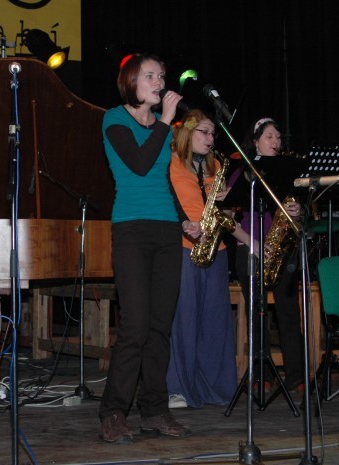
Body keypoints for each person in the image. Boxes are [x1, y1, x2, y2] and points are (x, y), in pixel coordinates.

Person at [98, 53, 191, 444]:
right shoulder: (114, 119)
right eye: (150, 75)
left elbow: (163, 180)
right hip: (132, 230)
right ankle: (113, 412)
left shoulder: (163, 128)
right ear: (131, 82)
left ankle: (154, 410)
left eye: (162, 76)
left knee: (159, 328)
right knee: (135, 326)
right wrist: (166, 121)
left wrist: (183, 219)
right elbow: (138, 164)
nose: (159, 82)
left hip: (167, 231)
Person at [166, 109, 256, 409]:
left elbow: (226, 214)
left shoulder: (215, 165)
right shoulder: (170, 162)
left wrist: (229, 203)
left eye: (213, 134)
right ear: (187, 132)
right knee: (184, 320)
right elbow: (166, 203)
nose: (210, 138)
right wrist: (186, 225)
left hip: (215, 248)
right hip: (183, 246)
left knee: (215, 321)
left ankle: (216, 389)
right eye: (204, 132)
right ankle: (178, 389)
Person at [228, 117, 306, 395]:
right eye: (269, 137)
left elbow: (300, 211)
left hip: (282, 249)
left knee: (289, 313)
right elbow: (226, 217)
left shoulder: (290, 172)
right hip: (249, 249)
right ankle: (261, 373)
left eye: (278, 137)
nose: (276, 142)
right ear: (256, 141)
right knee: (257, 313)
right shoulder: (244, 172)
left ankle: (296, 375)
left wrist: (298, 211)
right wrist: (253, 243)